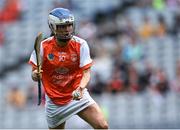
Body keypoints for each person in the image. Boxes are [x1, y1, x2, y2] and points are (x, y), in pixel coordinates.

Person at [29, 8, 108, 129]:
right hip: (54, 102)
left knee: (102, 126)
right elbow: (34, 75)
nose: (67, 30)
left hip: (77, 95)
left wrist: (80, 89)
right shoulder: (43, 46)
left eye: (69, 25)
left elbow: (86, 73)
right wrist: (36, 75)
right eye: (62, 26)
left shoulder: (81, 44)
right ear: (52, 27)